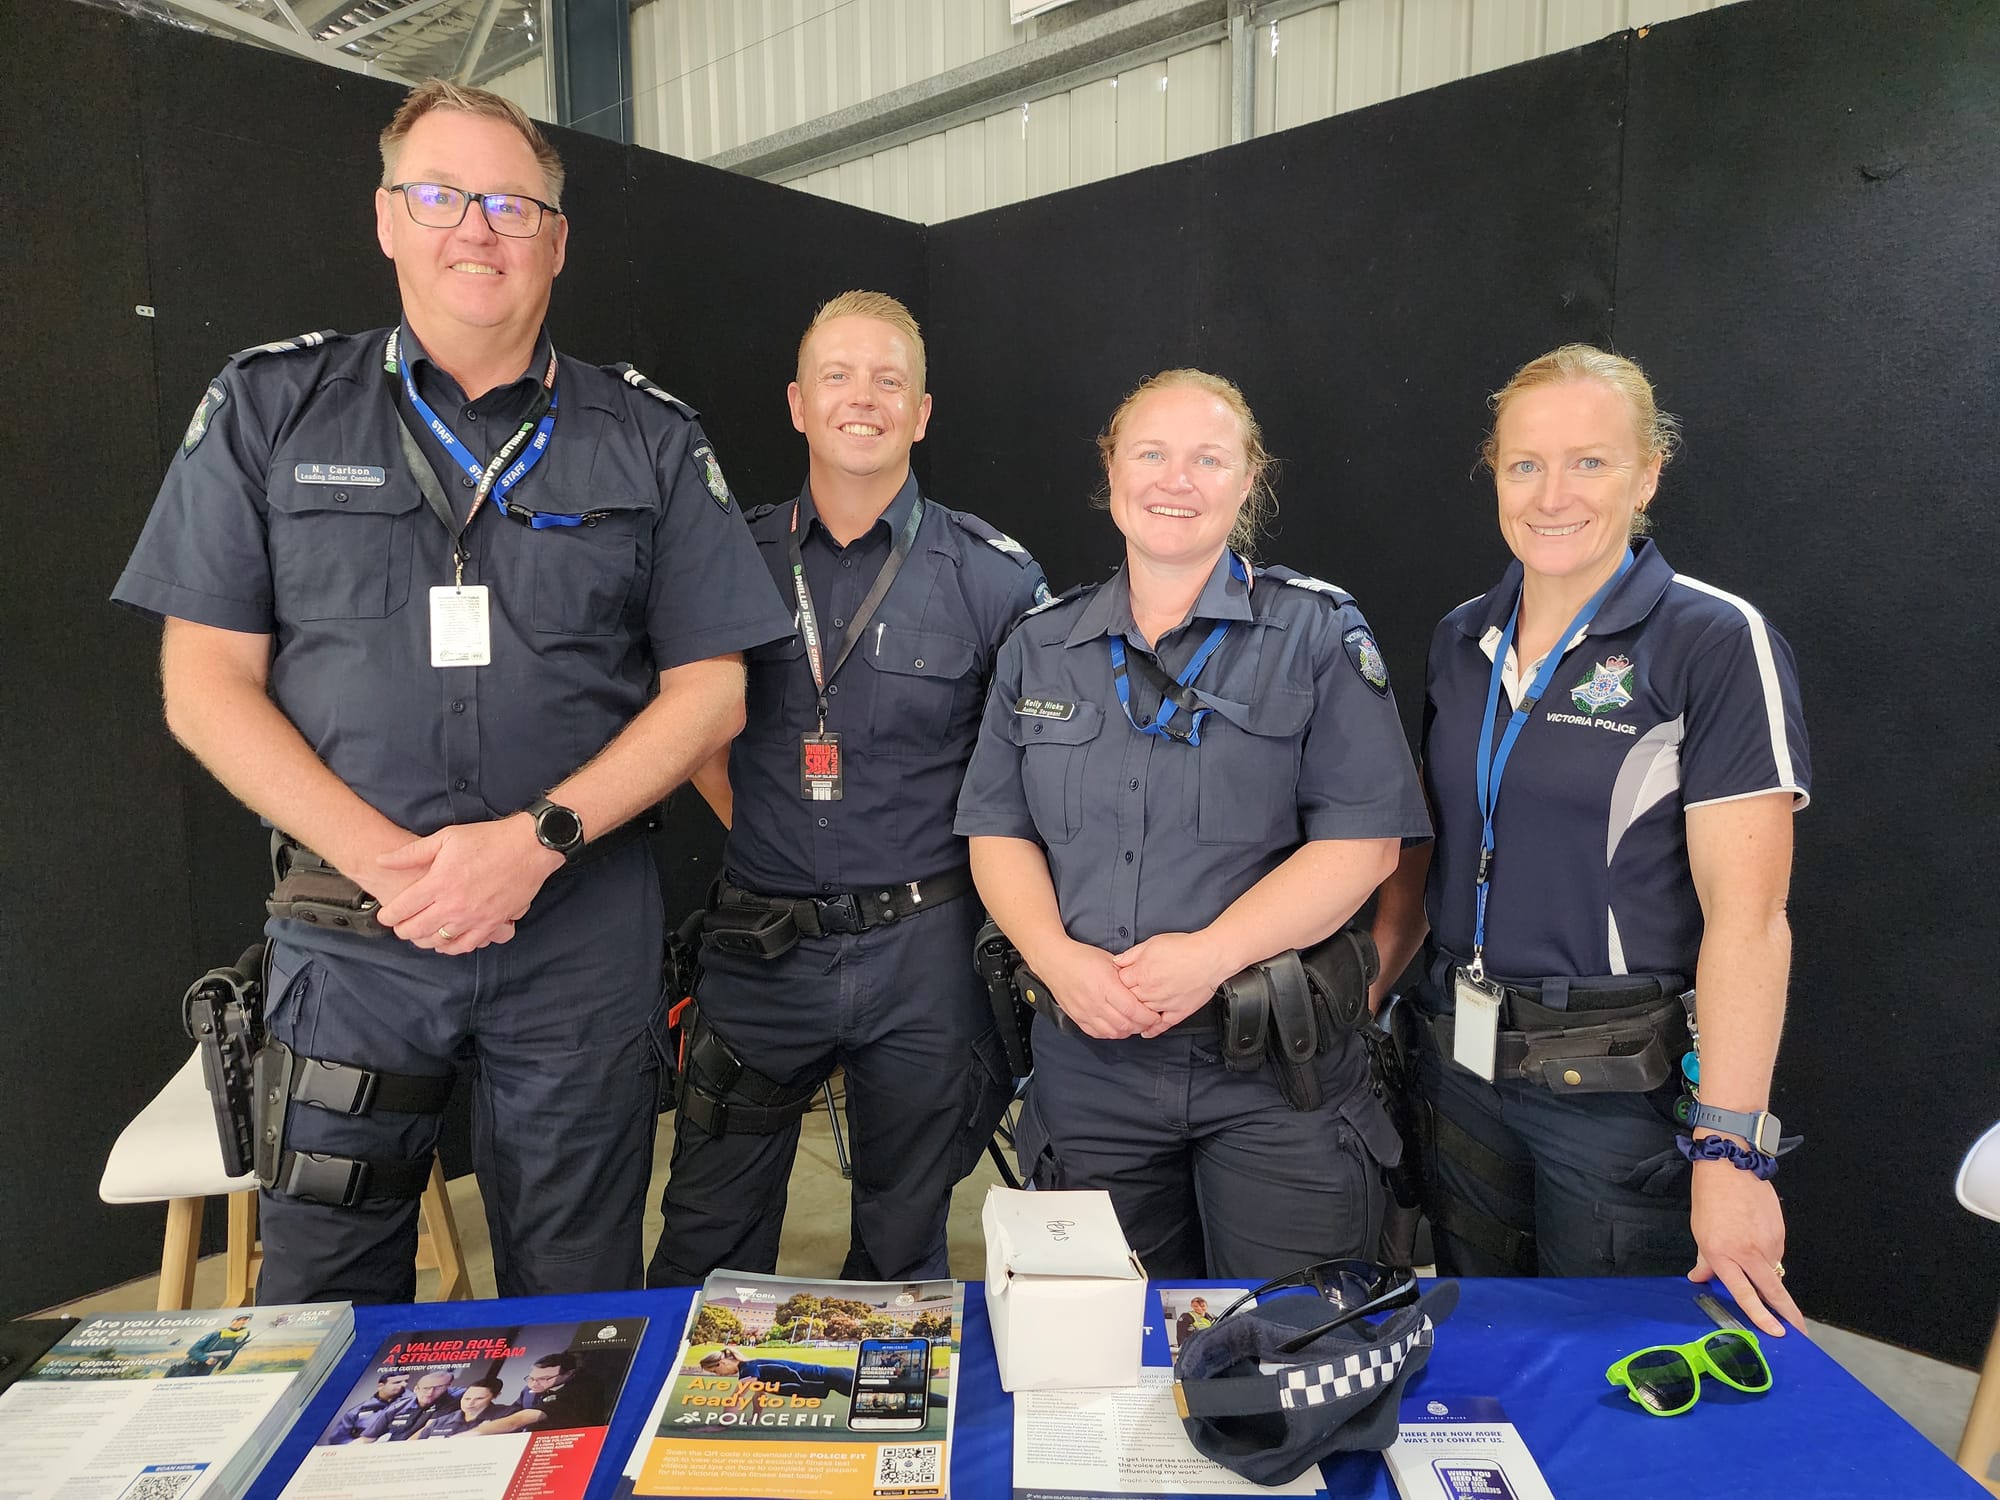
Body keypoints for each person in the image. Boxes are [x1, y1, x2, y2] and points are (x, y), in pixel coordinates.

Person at [110, 79, 792, 1305]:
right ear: (386, 220)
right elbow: (204, 684)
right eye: (439, 195)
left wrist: (531, 847)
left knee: (575, 1297)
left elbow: (711, 694)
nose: (475, 227)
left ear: (557, 240)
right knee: (320, 1299)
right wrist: (390, 865)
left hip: (577, 930)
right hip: (350, 938)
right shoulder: (269, 405)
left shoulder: (647, 437)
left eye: (511, 204)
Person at [1367, 344, 1810, 1337]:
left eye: (1588, 463)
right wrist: (1373, 984)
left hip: (1613, 1097)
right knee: (1483, 1344)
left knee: (1619, 1367)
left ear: (1647, 471)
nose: (1549, 494)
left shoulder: (1709, 641)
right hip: (1458, 1064)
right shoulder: (1459, 638)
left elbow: (1751, 921)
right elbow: (1434, 842)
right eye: (1523, 464)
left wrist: (1730, 1151)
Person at [955, 369, 1430, 1278]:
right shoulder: (1039, 645)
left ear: (1248, 480)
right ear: (1112, 468)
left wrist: (1210, 956)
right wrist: (1057, 960)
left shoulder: (1317, 633)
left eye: (1209, 458)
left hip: (1271, 1075)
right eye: (1153, 454)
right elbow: (997, 832)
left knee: (1286, 1345)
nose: (1177, 479)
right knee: (1097, 1358)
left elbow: (1364, 845)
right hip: (1088, 1066)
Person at [648, 291, 1049, 1287]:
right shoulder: (729, 559)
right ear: (796, 402)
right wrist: (776, 844)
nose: (860, 398)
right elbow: (688, 727)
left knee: (904, 1239)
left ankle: (881, 1441)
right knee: (706, 1228)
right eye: (837, 375)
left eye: (888, 380)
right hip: (759, 948)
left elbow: (1032, 769)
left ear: (920, 411)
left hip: (924, 956)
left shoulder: (991, 576)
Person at [476, 1351, 610, 1431]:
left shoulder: (582, 1389)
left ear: (569, 1374)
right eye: (531, 1378)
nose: (534, 1384)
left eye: (544, 1378)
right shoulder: (531, 1387)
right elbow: (516, 1408)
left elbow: (522, 1418)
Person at [699, 1346, 855, 1407]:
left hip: (835, 1378)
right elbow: (758, 1396)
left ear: (721, 1363)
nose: (718, 1375)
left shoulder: (749, 1368)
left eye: (714, 1371)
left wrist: (721, 1426)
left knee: (873, 1402)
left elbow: (735, 1399)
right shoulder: (753, 1369)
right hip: (835, 1378)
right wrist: (755, 1419)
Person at [359, 1368, 462, 1441]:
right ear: (416, 1389)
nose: (430, 1392)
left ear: (448, 1387)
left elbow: (427, 1428)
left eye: (438, 1388)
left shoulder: (452, 1399)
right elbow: (367, 1438)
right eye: (426, 1388)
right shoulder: (398, 1406)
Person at [321, 1372, 410, 1444]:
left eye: (406, 1381)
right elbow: (338, 1439)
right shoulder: (355, 1412)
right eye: (397, 1382)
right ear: (381, 1386)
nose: (404, 1385)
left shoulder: (415, 1402)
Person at [414, 1377, 515, 1437]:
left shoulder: (508, 1414)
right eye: (466, 1398)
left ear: (495, 1396)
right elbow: (413, 1442)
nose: (470, 1403)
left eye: (479, 1399)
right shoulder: (441, 1421)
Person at [166, 1315, 252, 1376]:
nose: (242, 1322)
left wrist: (223, 1367)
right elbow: (192, 1351)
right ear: (234, 1321)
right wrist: (206, 1359)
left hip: (207, 1369)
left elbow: (232, 1352)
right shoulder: (216, 1334)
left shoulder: (243, 1336)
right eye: (241, 1319)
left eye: (245, 1320)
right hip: (190, 1366)